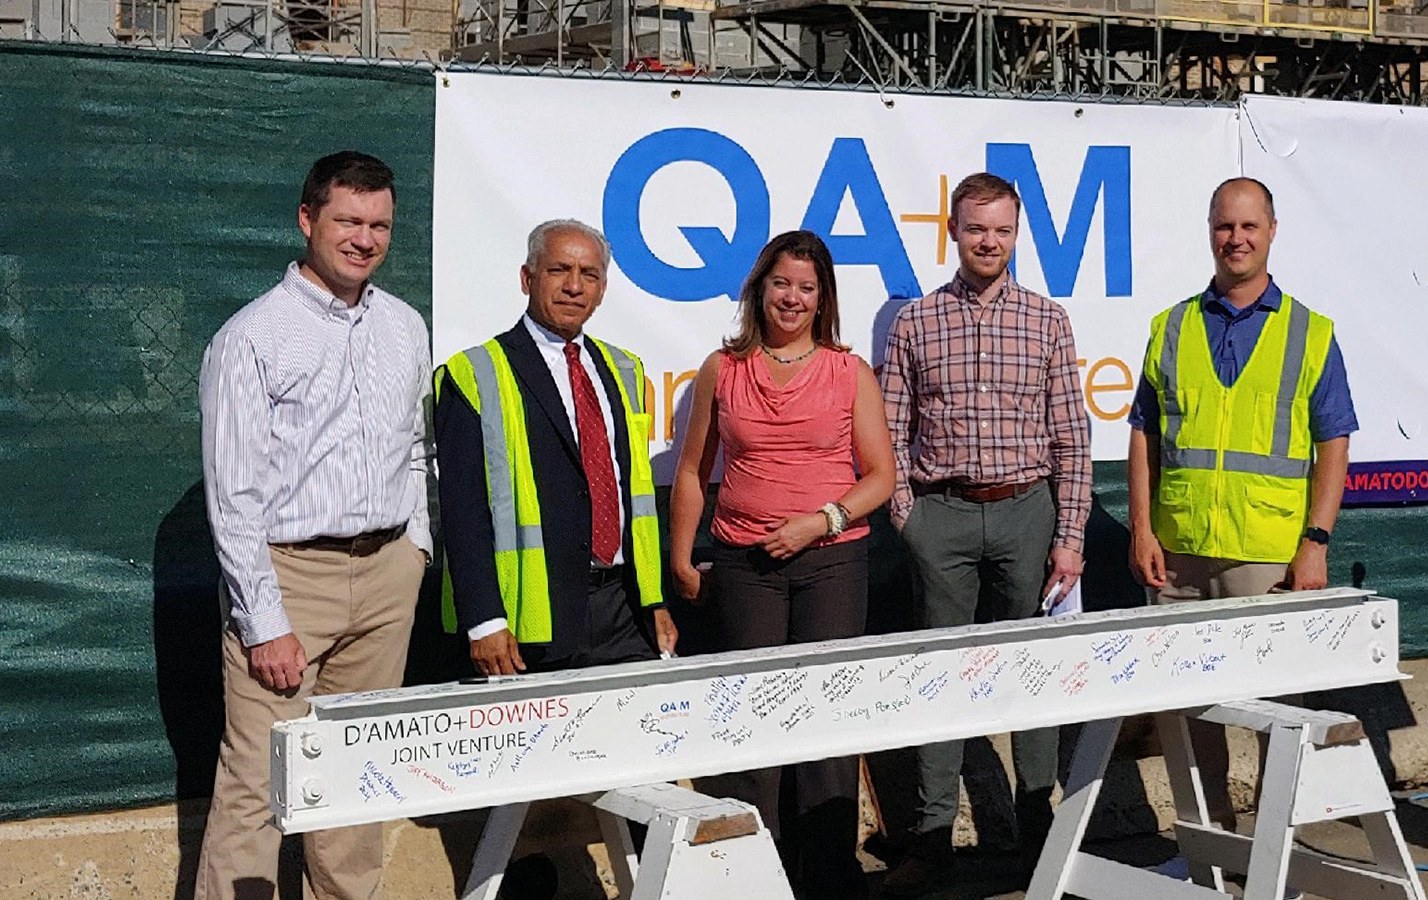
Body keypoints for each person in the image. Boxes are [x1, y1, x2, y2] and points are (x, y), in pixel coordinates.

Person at [196, 151, 431, 900]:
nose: (364, 239)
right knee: (259, 782)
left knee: (356, 774)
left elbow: (416, 447)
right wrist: (263, 622)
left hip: (387, 571)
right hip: (290, 578)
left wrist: (416, 550)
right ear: (308, 221)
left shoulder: (403, 325)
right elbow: (233, 496)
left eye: (379, 225)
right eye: (348, 221)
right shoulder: (251, 338)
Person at [877, 172, 1093, 895]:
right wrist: (909, 520)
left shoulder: (1048, 320)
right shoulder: (916, 322)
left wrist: (1070, 535)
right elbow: (889, 432)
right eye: (976, 229)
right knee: (943, 678)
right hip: (941, 517)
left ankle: (1038, 830)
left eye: (1001, 230)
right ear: (953, 230)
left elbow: (1072, 437)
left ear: (1016, 233)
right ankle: (933, 839)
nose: (988, 242)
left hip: (1028, 513)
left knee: (1030, 676)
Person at [1126, 176, 1357, 831]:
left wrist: (1316, 541)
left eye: (1249, 227)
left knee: (1279, 715)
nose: (1237, 239)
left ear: (1272, 233)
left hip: (1268, 559)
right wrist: (1142, 527)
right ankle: (1209, 854)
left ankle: (1282, 854)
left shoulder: (1310, 333)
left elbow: (1334, 441)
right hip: (1180, 556)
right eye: (1226, 226)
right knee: (1189, 715)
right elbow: (1143, 431)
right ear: (1210, 231)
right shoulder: (1171, 327)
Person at [669, 230, 894, 899]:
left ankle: (828, 878)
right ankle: (751, 878)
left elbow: (880, 477)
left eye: (806, 287)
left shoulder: (849, 372)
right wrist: (683, 557)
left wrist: (819, 521)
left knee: (824, 727)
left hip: (831, 564)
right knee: (752, 727)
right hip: (743, 567)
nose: (792, 298)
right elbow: (691, 471)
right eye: (781, 283)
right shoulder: (723, 368)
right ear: (759, 288)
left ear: (821, 298)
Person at [434, 218, 677, 677]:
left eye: (589, 275)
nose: (574, 287)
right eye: (558, 270)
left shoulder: (624, 369)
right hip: (529, 622)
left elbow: (634, 498)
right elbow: (462, 511)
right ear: (527, 278)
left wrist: (655, 600)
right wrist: (485, 620)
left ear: (603, 288)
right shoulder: (474, 374)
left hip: (623, 610)